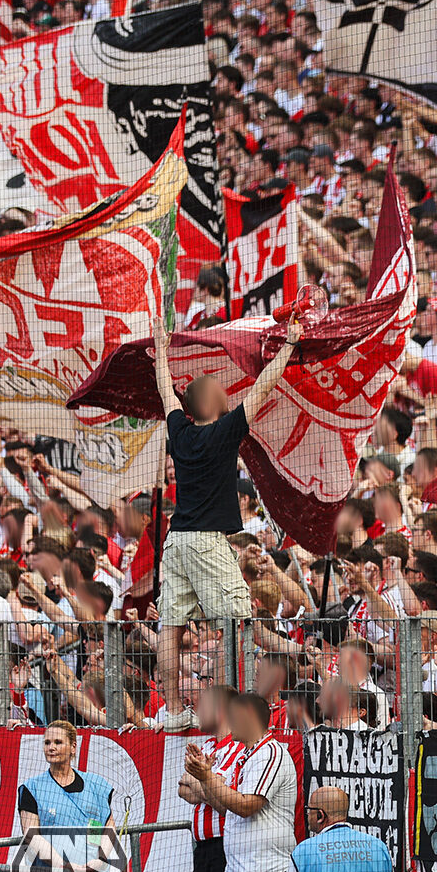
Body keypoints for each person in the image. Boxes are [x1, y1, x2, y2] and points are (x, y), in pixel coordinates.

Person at [151, 311, 303, 729]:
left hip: (175, 540)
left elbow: (167, 395)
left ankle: (175, 712)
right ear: (215, 403)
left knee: (171, 623)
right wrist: (288, 346)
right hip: (203, 541)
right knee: (238, 616)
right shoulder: (224, 431)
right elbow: (263, 388)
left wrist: (161, 355)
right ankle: (232, 707)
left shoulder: (179, 431)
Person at [183, 692, 297, 872]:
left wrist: (206, 778)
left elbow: (246, 806)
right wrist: (207, 778)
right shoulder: (243, 756)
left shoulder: (271, 753)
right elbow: (228, 806)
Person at [17, 721, 116, 872]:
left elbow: (107, 827)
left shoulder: (97, 785)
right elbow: (32, 836)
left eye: (58, 742)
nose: (51, 747)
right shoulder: (31, 788)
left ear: (73, 747)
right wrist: (64, 866)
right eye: (47, 742)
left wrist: (100, 859)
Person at [271, 787, 395, 872]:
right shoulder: (379, 847)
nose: (307, 814)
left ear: (320, 815)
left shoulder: (304, 851)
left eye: (309, 810)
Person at [178, 685, 242, 872]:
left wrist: (202, 779)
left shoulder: (238, 746)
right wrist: (208, 782)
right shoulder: (206, 747)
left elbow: (224, 796)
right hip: (202, 849)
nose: (197, 711)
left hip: (225, 848)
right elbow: (182, 788)